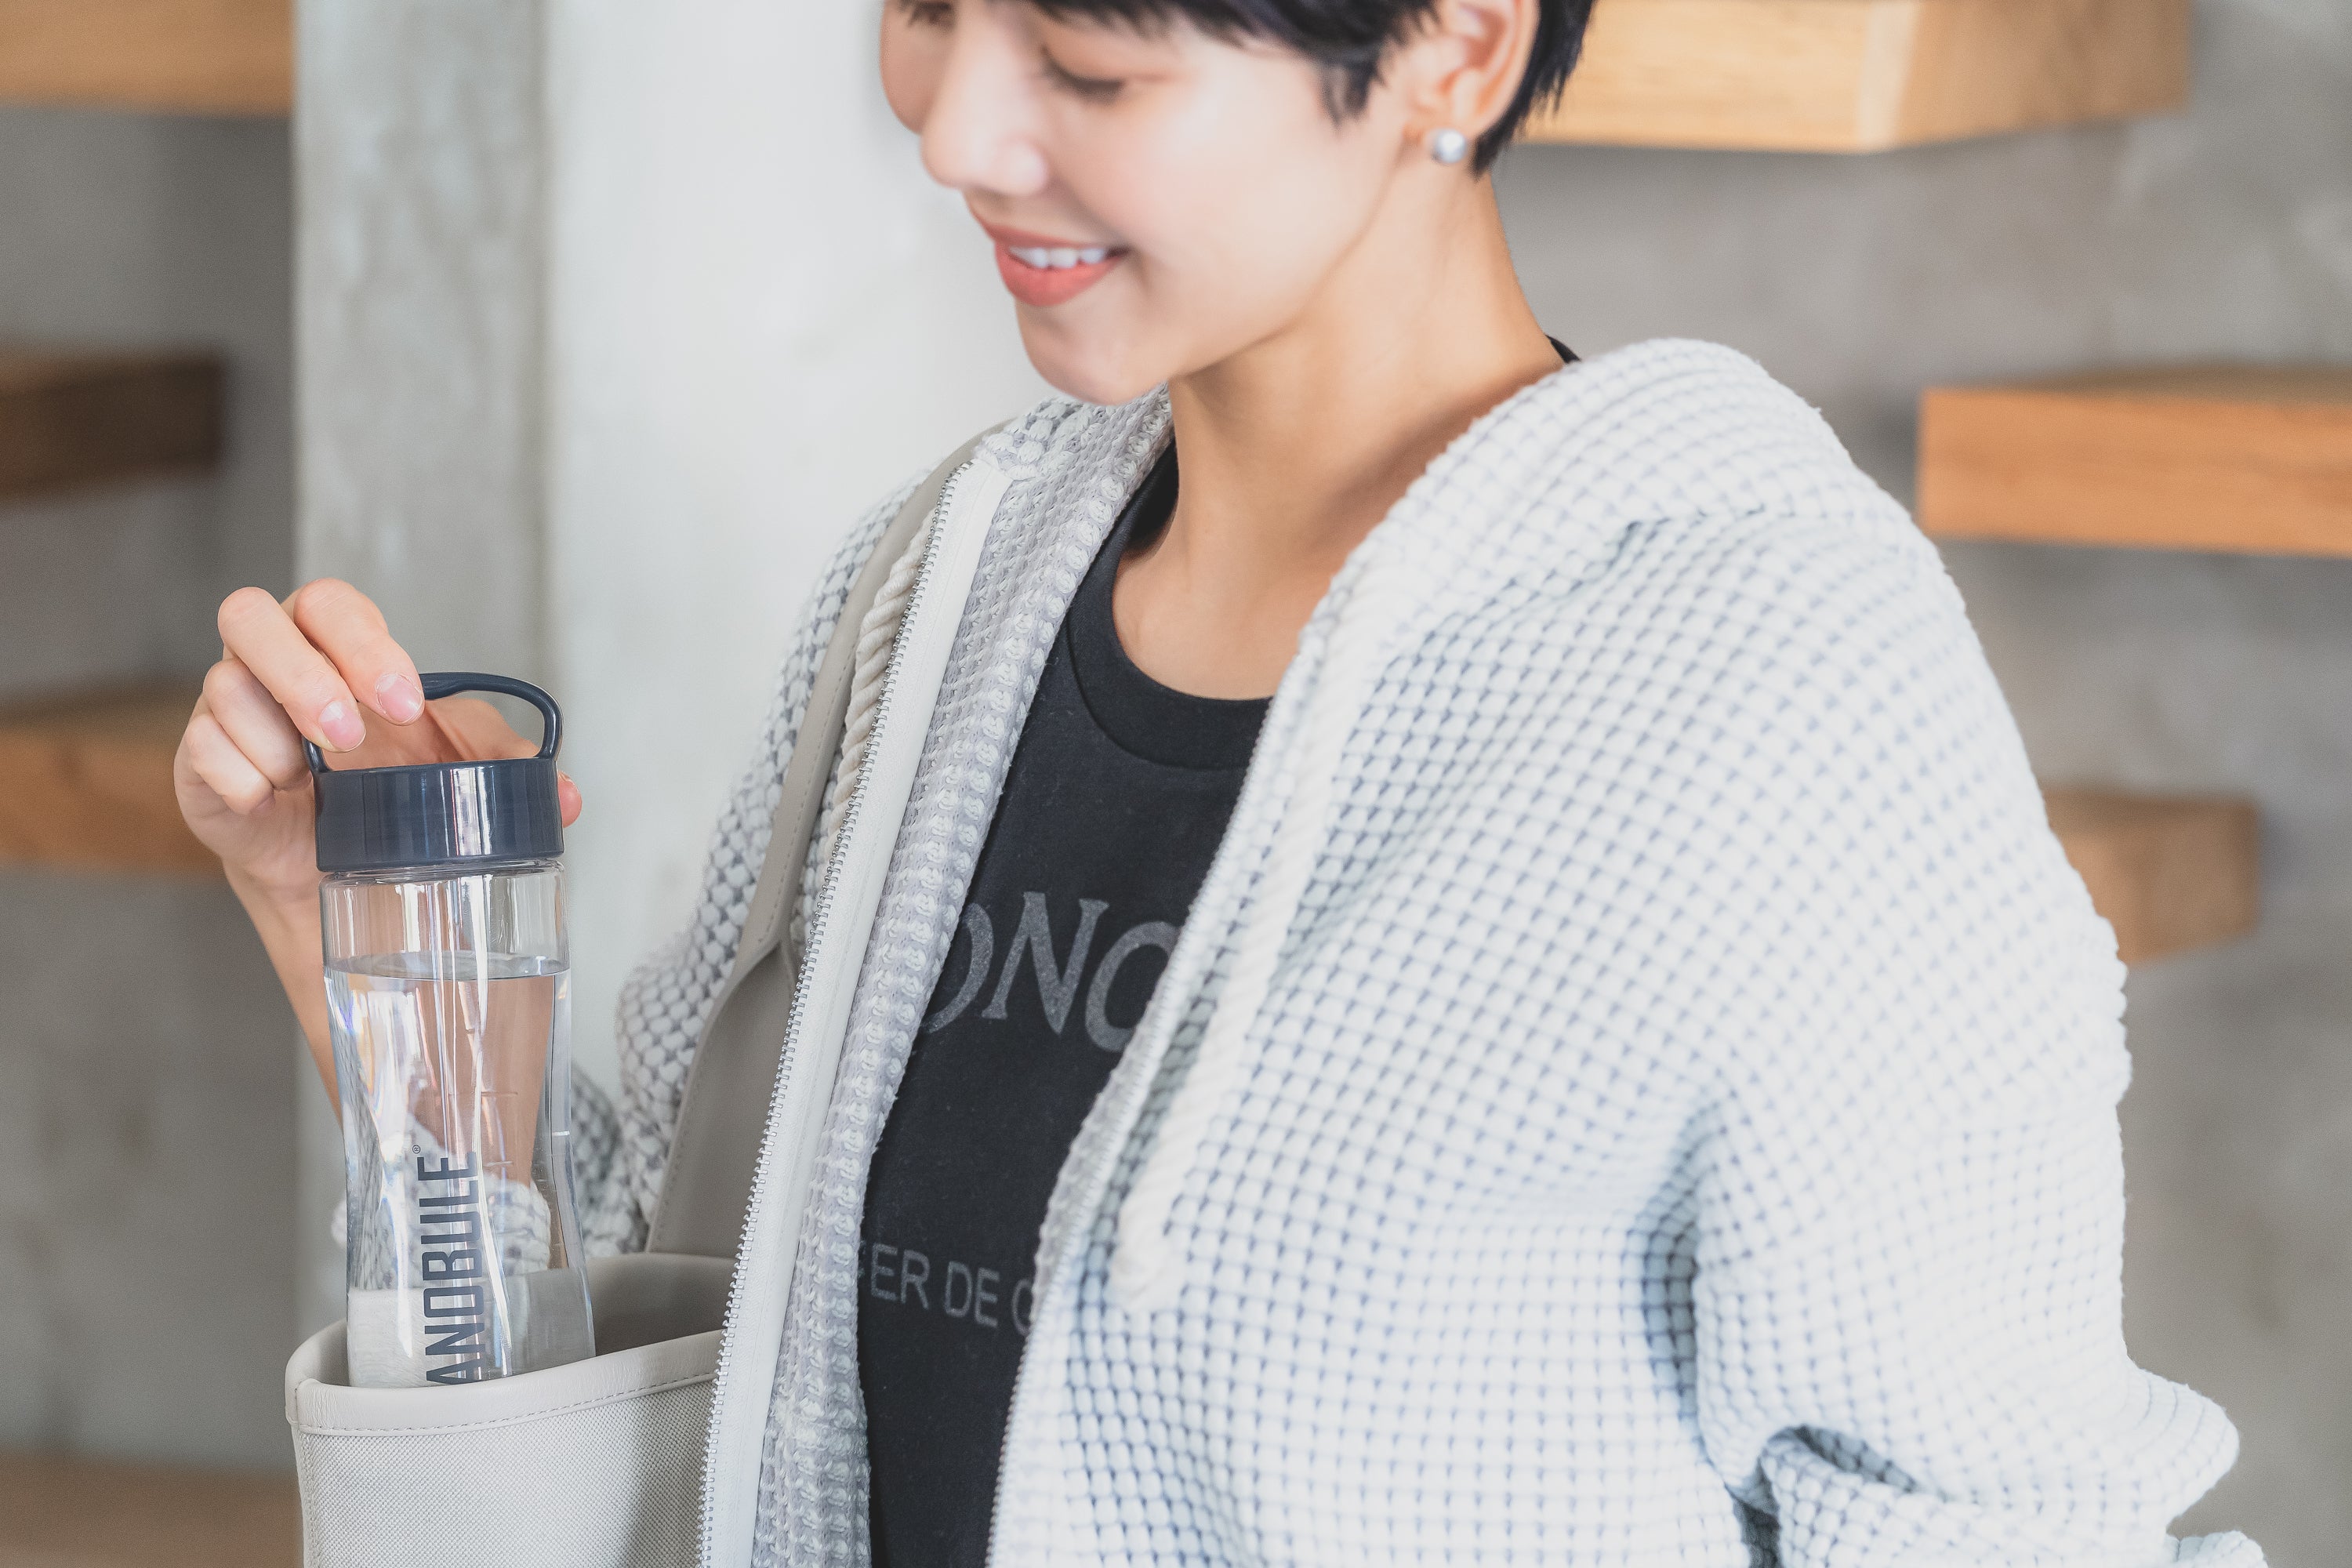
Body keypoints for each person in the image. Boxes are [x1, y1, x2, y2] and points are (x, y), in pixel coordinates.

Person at [178, 0, 2263, 1563]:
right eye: (929, 4)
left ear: (1455, 44)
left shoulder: (1769, 687)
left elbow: (2002, 1523)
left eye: (1090, 60)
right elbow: (669, 1336)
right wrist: (382, 937)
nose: (956, 127)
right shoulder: (932, 592)